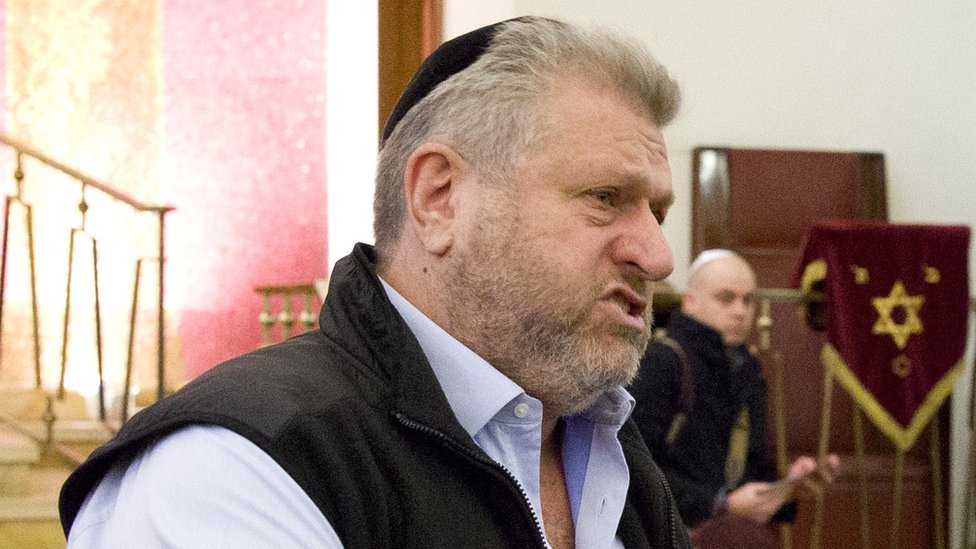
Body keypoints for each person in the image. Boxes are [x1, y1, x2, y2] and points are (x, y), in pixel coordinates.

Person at [59, 16, 691, 548]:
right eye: (604, 197)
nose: (658, 257)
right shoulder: (237, 467)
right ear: (439, 198)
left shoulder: (616, 459)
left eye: (657, 214)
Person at [629, 250, 838, 536]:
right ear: (690, 301)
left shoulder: (748, 369)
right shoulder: (662, 361)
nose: (740, 311)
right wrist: (719, 504)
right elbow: (632, 468)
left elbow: (748, 470)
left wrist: (786, 487)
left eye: (748, 300)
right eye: (726, 298)